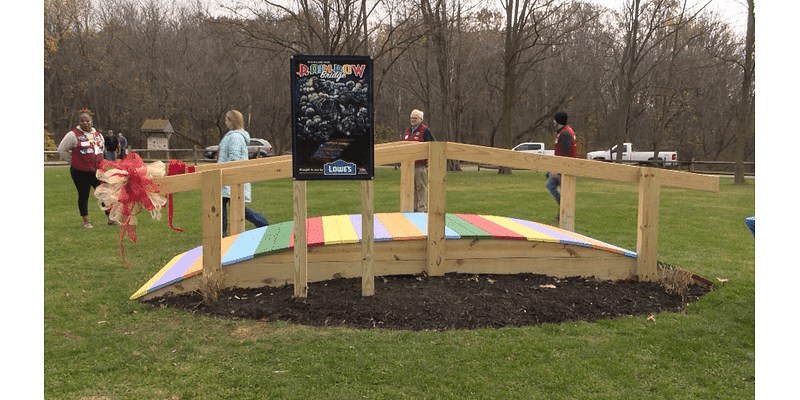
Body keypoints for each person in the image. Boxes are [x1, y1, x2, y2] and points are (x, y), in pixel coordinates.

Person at [57, 109, 119, 228]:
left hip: (98, 171)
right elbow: (62, 150)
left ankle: (111, 218)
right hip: (80, 172)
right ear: (79, 122)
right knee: (84, 195)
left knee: (105, 193)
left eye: (87, 121)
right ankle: (86, 221)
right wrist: (72, 161)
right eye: (82, 121)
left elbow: (101, 150)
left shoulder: (98, 135)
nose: (85, 123)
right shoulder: (73, 135)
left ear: (92, 121)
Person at [218, 110, 269, 237]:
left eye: (227, 119)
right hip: (226, 176)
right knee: (230, 205)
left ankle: (262, 223)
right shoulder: (233, 135)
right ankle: (261, 223)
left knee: (233, 206)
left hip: (230, 177)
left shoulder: (235, 137)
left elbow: (234, 158)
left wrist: (226, 173)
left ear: (231, 122)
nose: (225, 122)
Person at [401, 109, 436, 212]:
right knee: (409, 188)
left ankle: (420, 209)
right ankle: (411, 208)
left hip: (419, 166)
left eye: (415, 118)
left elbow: (433, 145)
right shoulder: (408, 131)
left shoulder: (425, 131)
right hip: (407, 165)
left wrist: (430, 160)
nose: (413, 120)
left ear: (420, 119)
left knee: (420, 187)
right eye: (411, 118)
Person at [546, 111, 578, 221]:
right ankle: (563, 210)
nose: (553, 121)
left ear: (557, 120)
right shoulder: (563, 132)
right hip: (562, 167)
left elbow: (564, 154)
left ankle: (564, 212)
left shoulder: (565, 133)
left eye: (554, 119)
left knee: (562, 191)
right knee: (550, 185)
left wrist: (557, 170)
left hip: (566, 168)